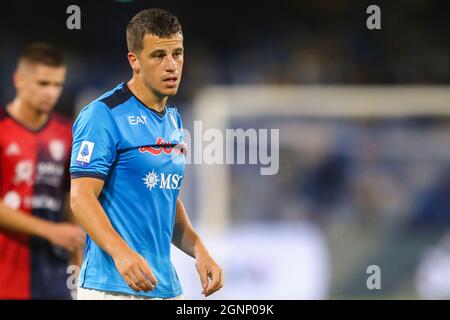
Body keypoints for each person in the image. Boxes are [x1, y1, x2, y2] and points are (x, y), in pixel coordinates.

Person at [70, 8, 223, 300]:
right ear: (134, 61)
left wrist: (200, 250)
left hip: (163, 286)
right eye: (158, 55)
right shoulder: (103, 115)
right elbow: (81, 197)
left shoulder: (172, 120)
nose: (171, 65)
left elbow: (166, 198)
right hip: (111, 287)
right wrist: (121, 254)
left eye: (177, 54)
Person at [0, 43, 85, 299]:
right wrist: (50, 231)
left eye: (57, 85)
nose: (51, 93)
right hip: (6, 275)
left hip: (54, 277)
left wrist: (76, 253)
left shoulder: (68, 133)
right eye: (43, 83)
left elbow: (70, 197)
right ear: (19, 80)